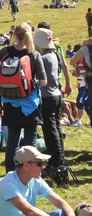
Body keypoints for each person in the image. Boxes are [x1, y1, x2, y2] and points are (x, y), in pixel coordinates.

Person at [0, 23, 47, 172]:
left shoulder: (6, 51)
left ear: (14, 35)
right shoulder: (33, 54)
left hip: (10, 105)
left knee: (12, 143)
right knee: (31, 142)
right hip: (30, 105)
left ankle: (11, 174)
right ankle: (31, 173)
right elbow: (43, 81)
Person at [32, 27, 66, 177]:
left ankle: (55, 163)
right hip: (56, 94)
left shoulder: (43, 57)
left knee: (50, 131)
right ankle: (60, 160)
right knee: (56, 128)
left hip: (47, 96)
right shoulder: (53, 55)